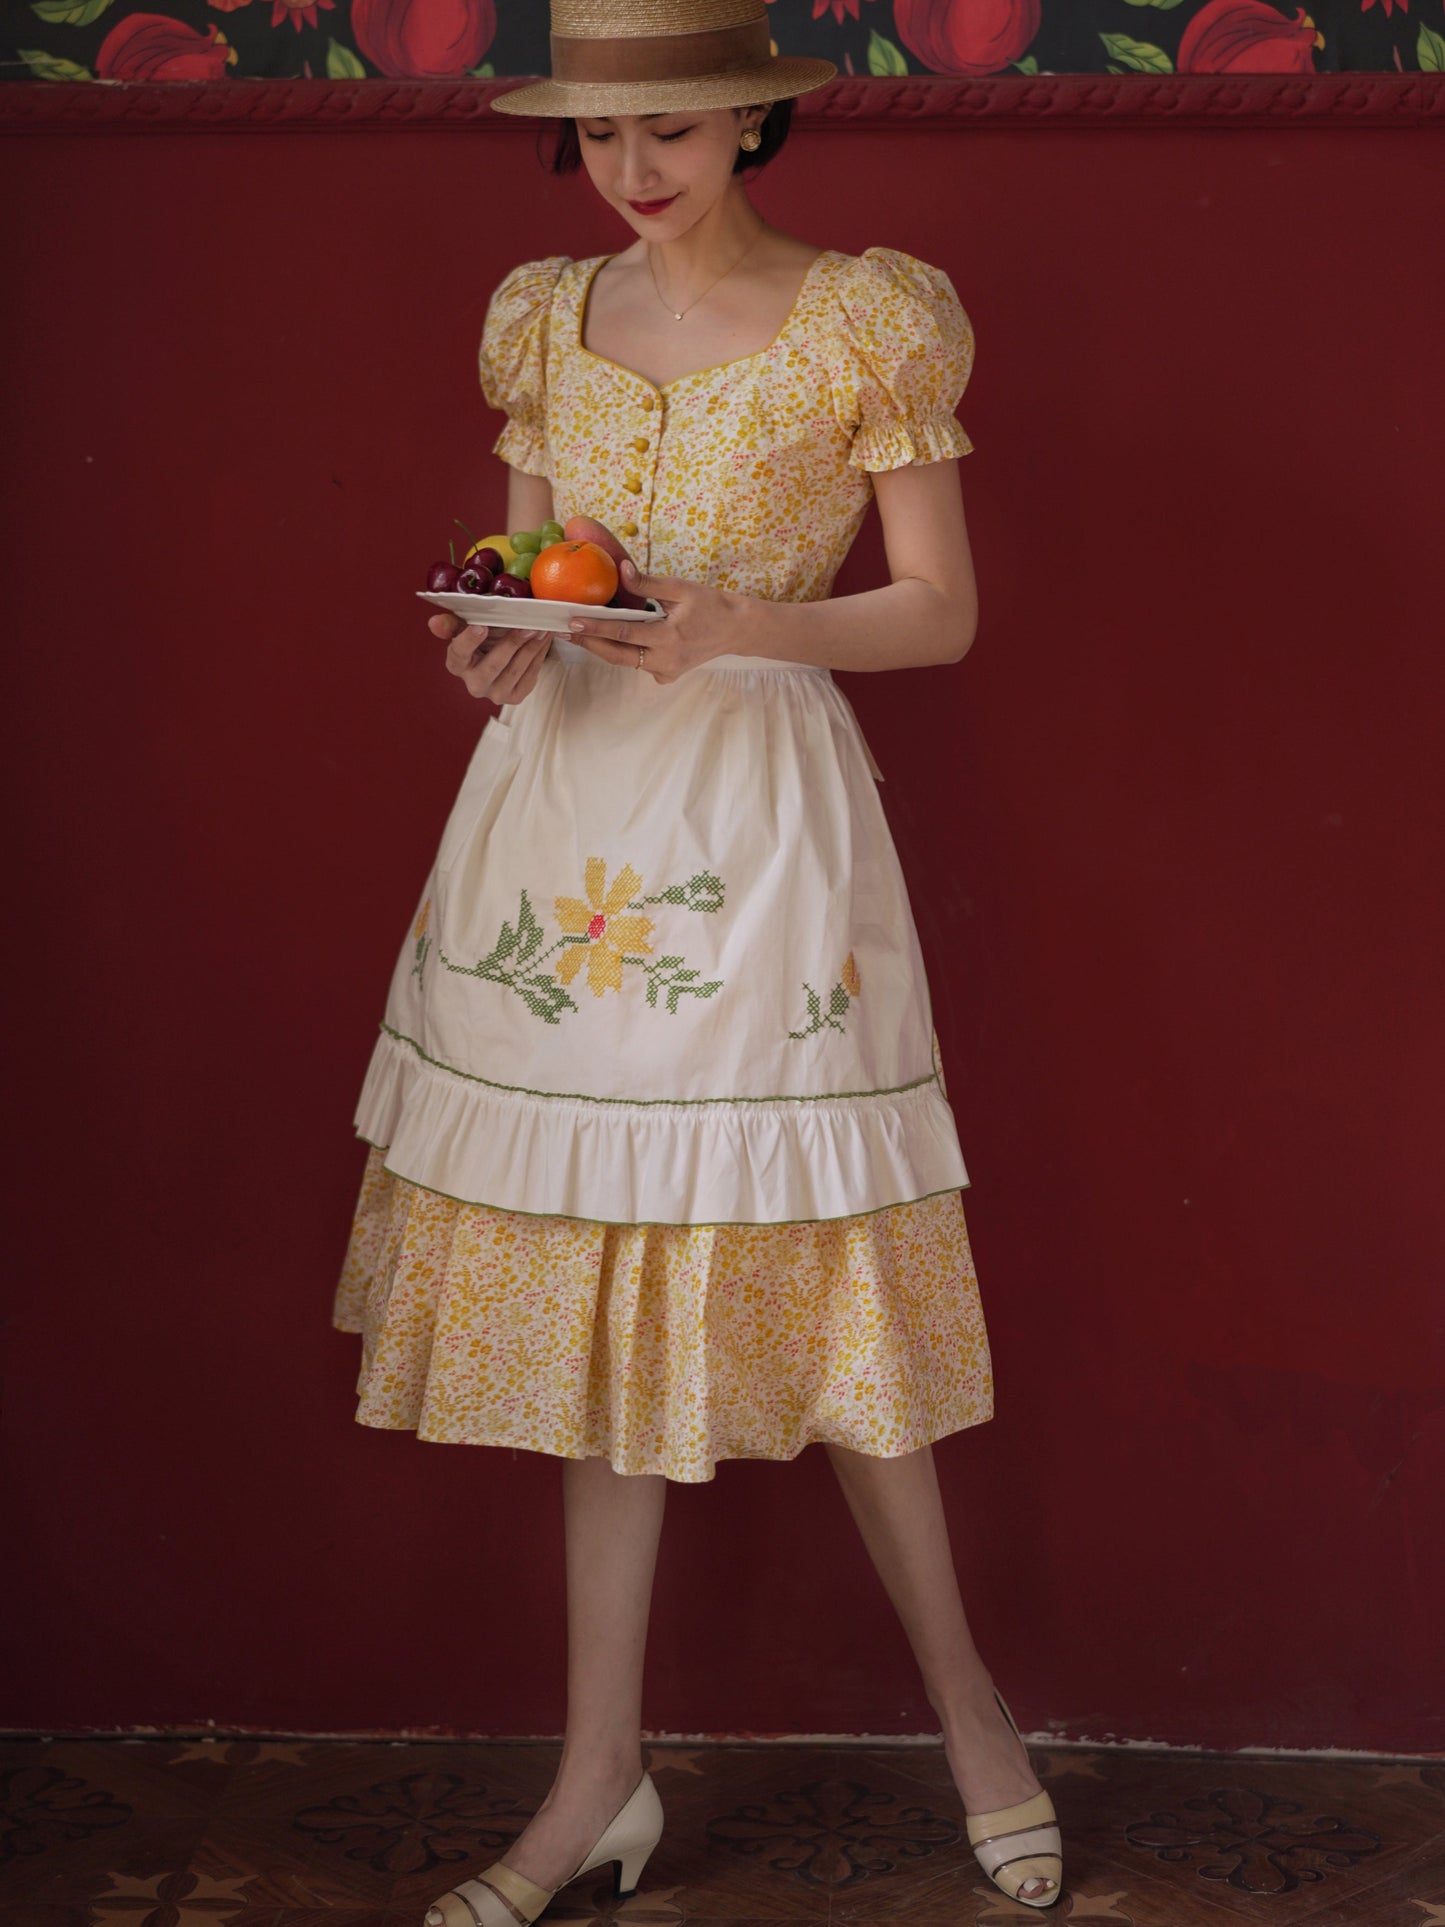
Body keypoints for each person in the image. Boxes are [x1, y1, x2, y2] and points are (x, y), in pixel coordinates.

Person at [331, 2, 1064, 1919]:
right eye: (598, 136)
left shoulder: (872, 315)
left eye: (669, 127)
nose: (632, 169)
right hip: (559, 831)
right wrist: (493, 645)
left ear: (752, 115)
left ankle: (973, 1716)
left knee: (826, 1269)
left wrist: (743, 620)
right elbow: (532, 588)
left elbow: (943, 611)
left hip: (758, 825)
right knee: (592, 1291)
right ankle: (595, 1782)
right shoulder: (539, 315)